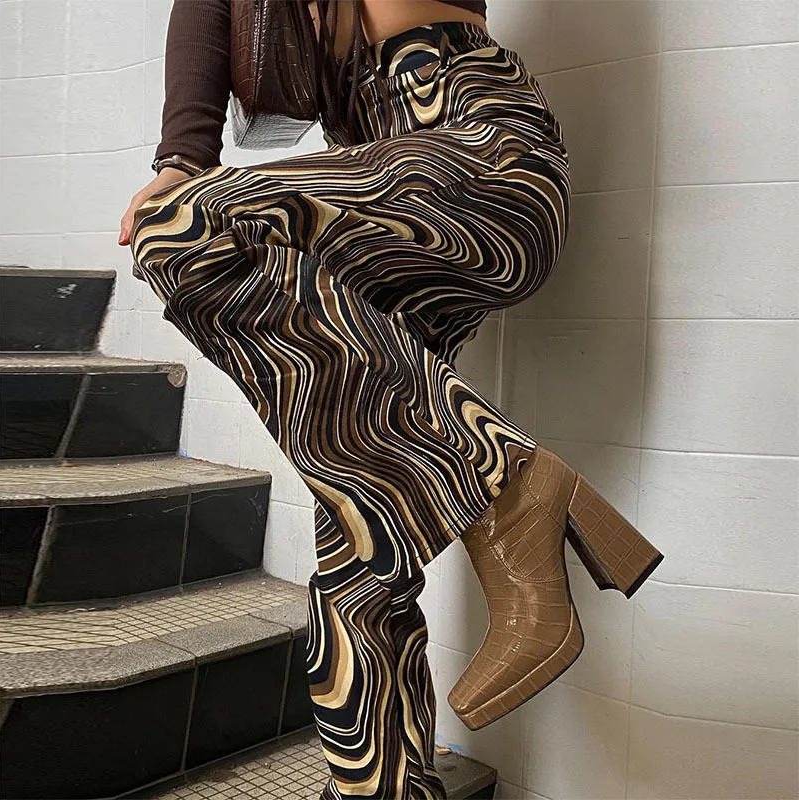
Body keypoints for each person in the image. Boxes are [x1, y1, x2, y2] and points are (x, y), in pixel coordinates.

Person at [121, 2, 664, 798]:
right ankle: (383, 788)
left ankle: (511, 491)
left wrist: (183, 171)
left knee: (186, 225)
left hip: (478, 153)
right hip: (380, 174)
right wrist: (182, 155)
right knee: (360, 508)